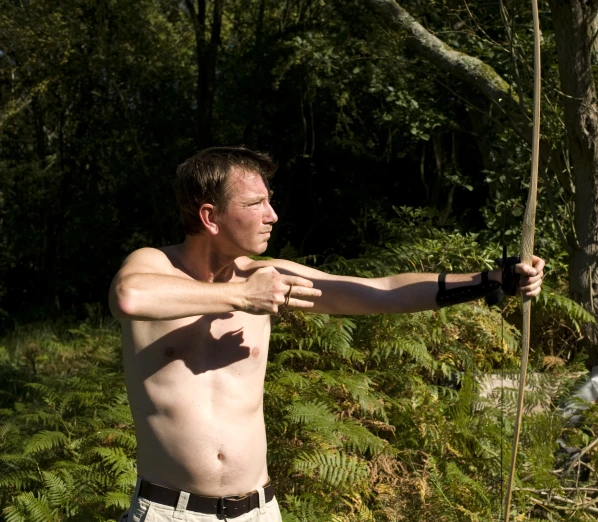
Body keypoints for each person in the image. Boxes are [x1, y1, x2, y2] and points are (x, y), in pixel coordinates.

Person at [109, 146, 545, 522]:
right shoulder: (156, 265)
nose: (272, 215)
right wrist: (242, 296)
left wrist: (491, 280)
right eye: (255, 203)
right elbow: (129, 297)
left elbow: (380, 293)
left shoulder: (269, 276)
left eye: (270, 201)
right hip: (172, 511)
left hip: (258, 511)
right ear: (211, 216)